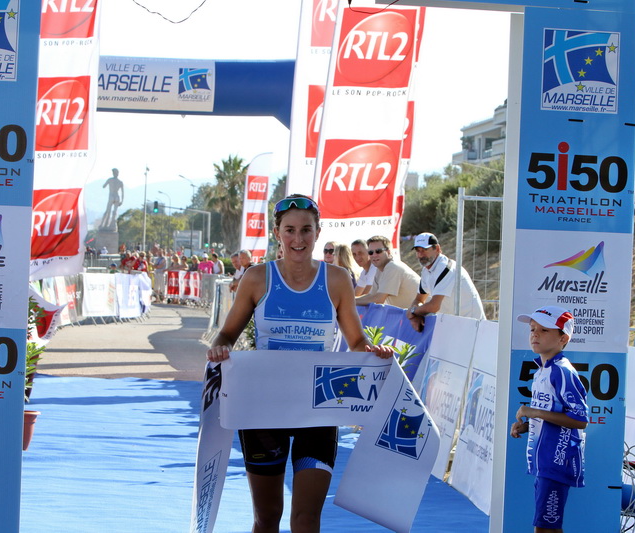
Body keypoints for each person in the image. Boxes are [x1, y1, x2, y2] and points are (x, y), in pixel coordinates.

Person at [206, 195, 393, 533]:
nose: (298, 239)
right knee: (267, 518)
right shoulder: (256, 278)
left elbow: (356, 342)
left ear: (317, 232)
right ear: (277, 232)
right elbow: (225, 336)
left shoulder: (336, 280)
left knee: (307, 519)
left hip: (318, 409)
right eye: (290, 230)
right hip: (264, 410)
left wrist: (373, 352)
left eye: (306, 230)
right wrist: (218, 350)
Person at [510, 306, 588, 533]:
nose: (535, 334)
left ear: (563, 338)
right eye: (533, 329)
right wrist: (526, 426)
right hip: (544, 460)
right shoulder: (542, 370)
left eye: (544, 330)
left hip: (557, 460)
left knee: (545, 528)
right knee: (547, 527)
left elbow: (580, 419)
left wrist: (533, 412)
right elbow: (551, 414)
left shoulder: (562, 371)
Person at [406, 232, 486, 331]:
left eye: (425, 249)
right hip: (454, 326)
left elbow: (433, 306)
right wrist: (414, 316)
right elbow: (419, 300)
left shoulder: (445, 267)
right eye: (418, 250)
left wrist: (414, 311)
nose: (421, 254)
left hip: (473, 327)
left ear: (438, 249)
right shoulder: (426, 270)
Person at [354, 235, 420, 309]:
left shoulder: (392, 267)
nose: (374, 255)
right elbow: (371, 295)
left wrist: (349, 302)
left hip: (427, 316)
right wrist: (350, 300)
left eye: (378, 251)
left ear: (388, 252)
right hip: (413, 315)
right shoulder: (379, 269)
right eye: (370, 252)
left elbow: (379, 299)